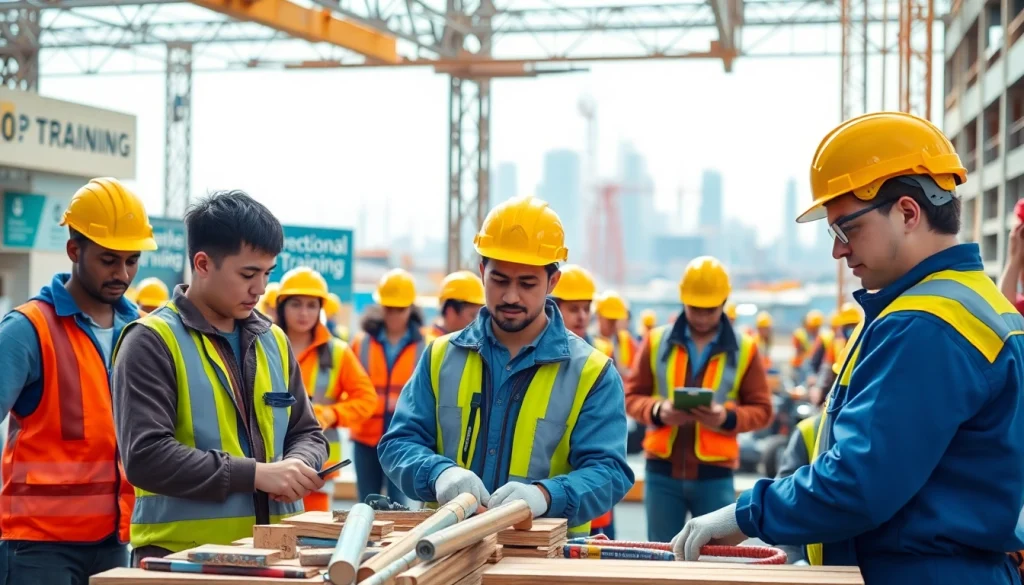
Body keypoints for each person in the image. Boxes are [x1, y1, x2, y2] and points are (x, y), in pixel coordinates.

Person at [672, 111, 1024, 585]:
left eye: (847, 229)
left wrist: (744, 515)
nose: (838, 251)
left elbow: (861, 481)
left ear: (906, 212)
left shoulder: (925, 324)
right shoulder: (979, 304)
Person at [378, 195, 634, 538]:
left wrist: (545, 496)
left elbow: (609, 472)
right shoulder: (440, 356)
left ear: (552, 282)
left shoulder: (592, 373)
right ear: (482, 272)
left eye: (527, 284)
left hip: (545, 556)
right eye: (499, 280)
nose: (511, 296)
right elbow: (399, 444)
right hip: (446, 547)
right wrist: (439, 473)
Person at [111, 190, 328, 563]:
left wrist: (300, 466)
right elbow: (145, 457)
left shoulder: (273, 340)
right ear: (203, 263)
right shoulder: (151, 341)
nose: (260, 289)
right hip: (180, 561)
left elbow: (307, 432)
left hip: (276, 555)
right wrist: (256, 475)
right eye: (248, 274)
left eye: (266, 274)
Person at [0, 177, 155, 584]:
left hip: (114, 539)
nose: (123, 273)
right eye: (108, 259)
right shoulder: (27, 329)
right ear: (74, 250)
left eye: (132, 260)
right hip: (38, 546)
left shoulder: (140, 329)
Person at [624, 255, 773, 543]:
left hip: (714, 477)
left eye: (710, 309)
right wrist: (657, 410)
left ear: (724, 302)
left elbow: (763, 410)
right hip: (662, 474)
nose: (702, 316)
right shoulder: (655, 342)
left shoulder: (745, 349)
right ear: (683, 301)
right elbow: (631, 396)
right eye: (695, 308)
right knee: (661, 558)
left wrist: (725, 417)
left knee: (713, 563)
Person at [275, 266, 377, 511]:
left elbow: (366, 399)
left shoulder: (338, 352)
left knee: (312, 539)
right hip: (268, 465)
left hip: (318, 471)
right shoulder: (262, 347)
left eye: (312, 305)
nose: (304, 313)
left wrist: (332, 414)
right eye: (296, 304)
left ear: (321, 309)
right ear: (282, 307)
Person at [350, 268, 425, 505]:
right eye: (388, 308)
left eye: (399, 309)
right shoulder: (361, 342)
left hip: (403, 436)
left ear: (411, 308)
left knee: (400, 506)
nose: (393, 315)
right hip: (366, 436)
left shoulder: (425, 345)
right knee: (366, 503)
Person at [424, 271, 485, 340]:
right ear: (450, 311)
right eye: (473, 315)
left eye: (480, 316)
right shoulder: (426, 345)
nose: (478, 322)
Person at [549, 264, 597, 340]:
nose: (582, 317)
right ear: (554, 310)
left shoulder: (601, 349)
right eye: (573, 309)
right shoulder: (538, 349)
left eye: (586, 309)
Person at [594, 291, 637, 376]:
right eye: (610, 320)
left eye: (616, 320)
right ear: (599, 316)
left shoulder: (626, 340)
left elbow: (635, 370)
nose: (613, 324)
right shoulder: (590, 342)